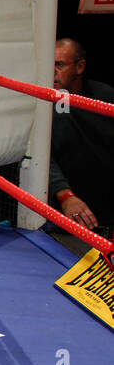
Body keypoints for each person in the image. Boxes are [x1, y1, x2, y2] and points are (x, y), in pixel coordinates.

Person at [49, 38, 114, 238]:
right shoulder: (41, 100)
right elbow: (36, 155)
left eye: (59, 65)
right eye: (49, 64)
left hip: (105, 209)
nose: (52, 72)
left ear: (80, 66)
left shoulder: (105, 96)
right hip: (62, 216)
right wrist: (65, 195)